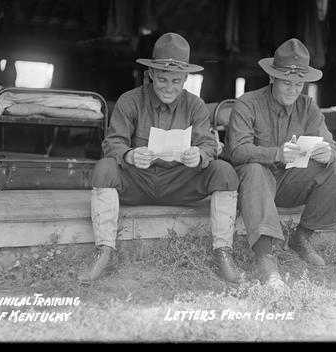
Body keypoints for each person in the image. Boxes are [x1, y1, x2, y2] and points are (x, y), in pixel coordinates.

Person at [78, 32, 242, 284]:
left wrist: (198, 155)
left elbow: (209, 144)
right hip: (138, 181)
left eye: (176, 81)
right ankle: (105, 251)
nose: (169, 87)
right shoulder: (129, 101)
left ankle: (222, 251)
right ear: (151, 74)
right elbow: (112, 143)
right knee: (104, 169)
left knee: (224, 172)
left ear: (186, 78)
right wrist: (130, 155)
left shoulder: (195, 105)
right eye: (162, 79)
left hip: (180, 182)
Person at [224, 38, 336, 289]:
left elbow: (331, 144)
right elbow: (236, 151)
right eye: (287, 83)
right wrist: (276, 154)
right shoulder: (247, 103)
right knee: (255, 170)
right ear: (271, 78)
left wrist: (328, 152)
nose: (293, 90)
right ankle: (265, 258)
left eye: (299, 84)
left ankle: (301, 237)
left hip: (289, 183)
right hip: (252, 186)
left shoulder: (307, 105)